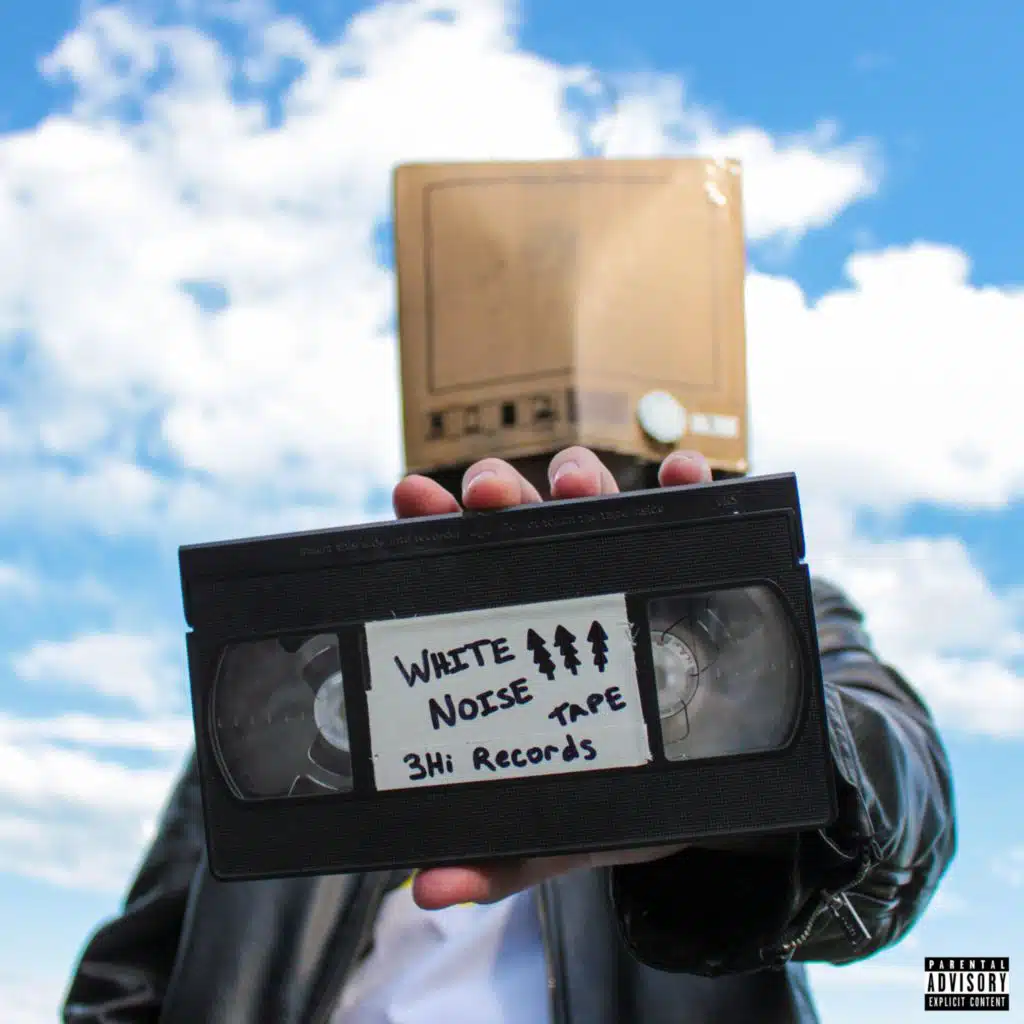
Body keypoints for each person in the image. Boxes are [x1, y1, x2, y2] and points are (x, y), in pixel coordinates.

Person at [62, 446, 956, 1024]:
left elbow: (908, 812)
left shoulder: (754, 608)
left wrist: (743, 757)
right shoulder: (288, 678)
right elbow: (132, 974)